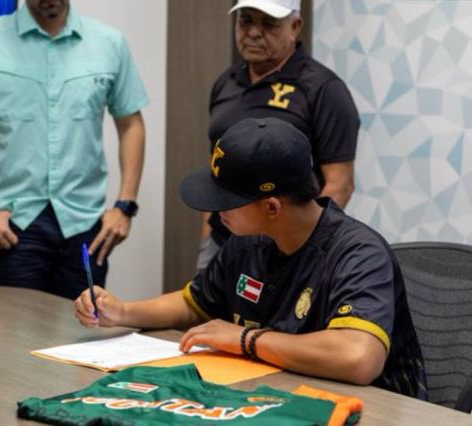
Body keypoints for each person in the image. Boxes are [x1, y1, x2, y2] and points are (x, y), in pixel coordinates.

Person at [75, 117, 427, 400]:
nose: (215, 211)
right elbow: (195, 304)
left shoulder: (358, 253)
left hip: (373, 411)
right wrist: (123, 312)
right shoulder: (249, 239)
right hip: (277, 399)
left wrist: (245, 340)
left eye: (226, 201)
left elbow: (358, 358)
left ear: (272, 206)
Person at [0, 0, 148, 299]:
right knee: (10, 343)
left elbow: (131, 125)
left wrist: (125, 207)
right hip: (12, 224)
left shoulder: (109, 43)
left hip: (86, 224)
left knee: (81, 338)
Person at [198, 0, 360, 271]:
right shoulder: (225, 83)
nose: (253, 32)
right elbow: (218, 171)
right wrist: (206, 241)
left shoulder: (323, 89)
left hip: (285, 249)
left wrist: (303, 249)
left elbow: (340, 184)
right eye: (246, 20)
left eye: (268, 23)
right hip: (221, 242)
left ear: (295, 26)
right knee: (201, 312)